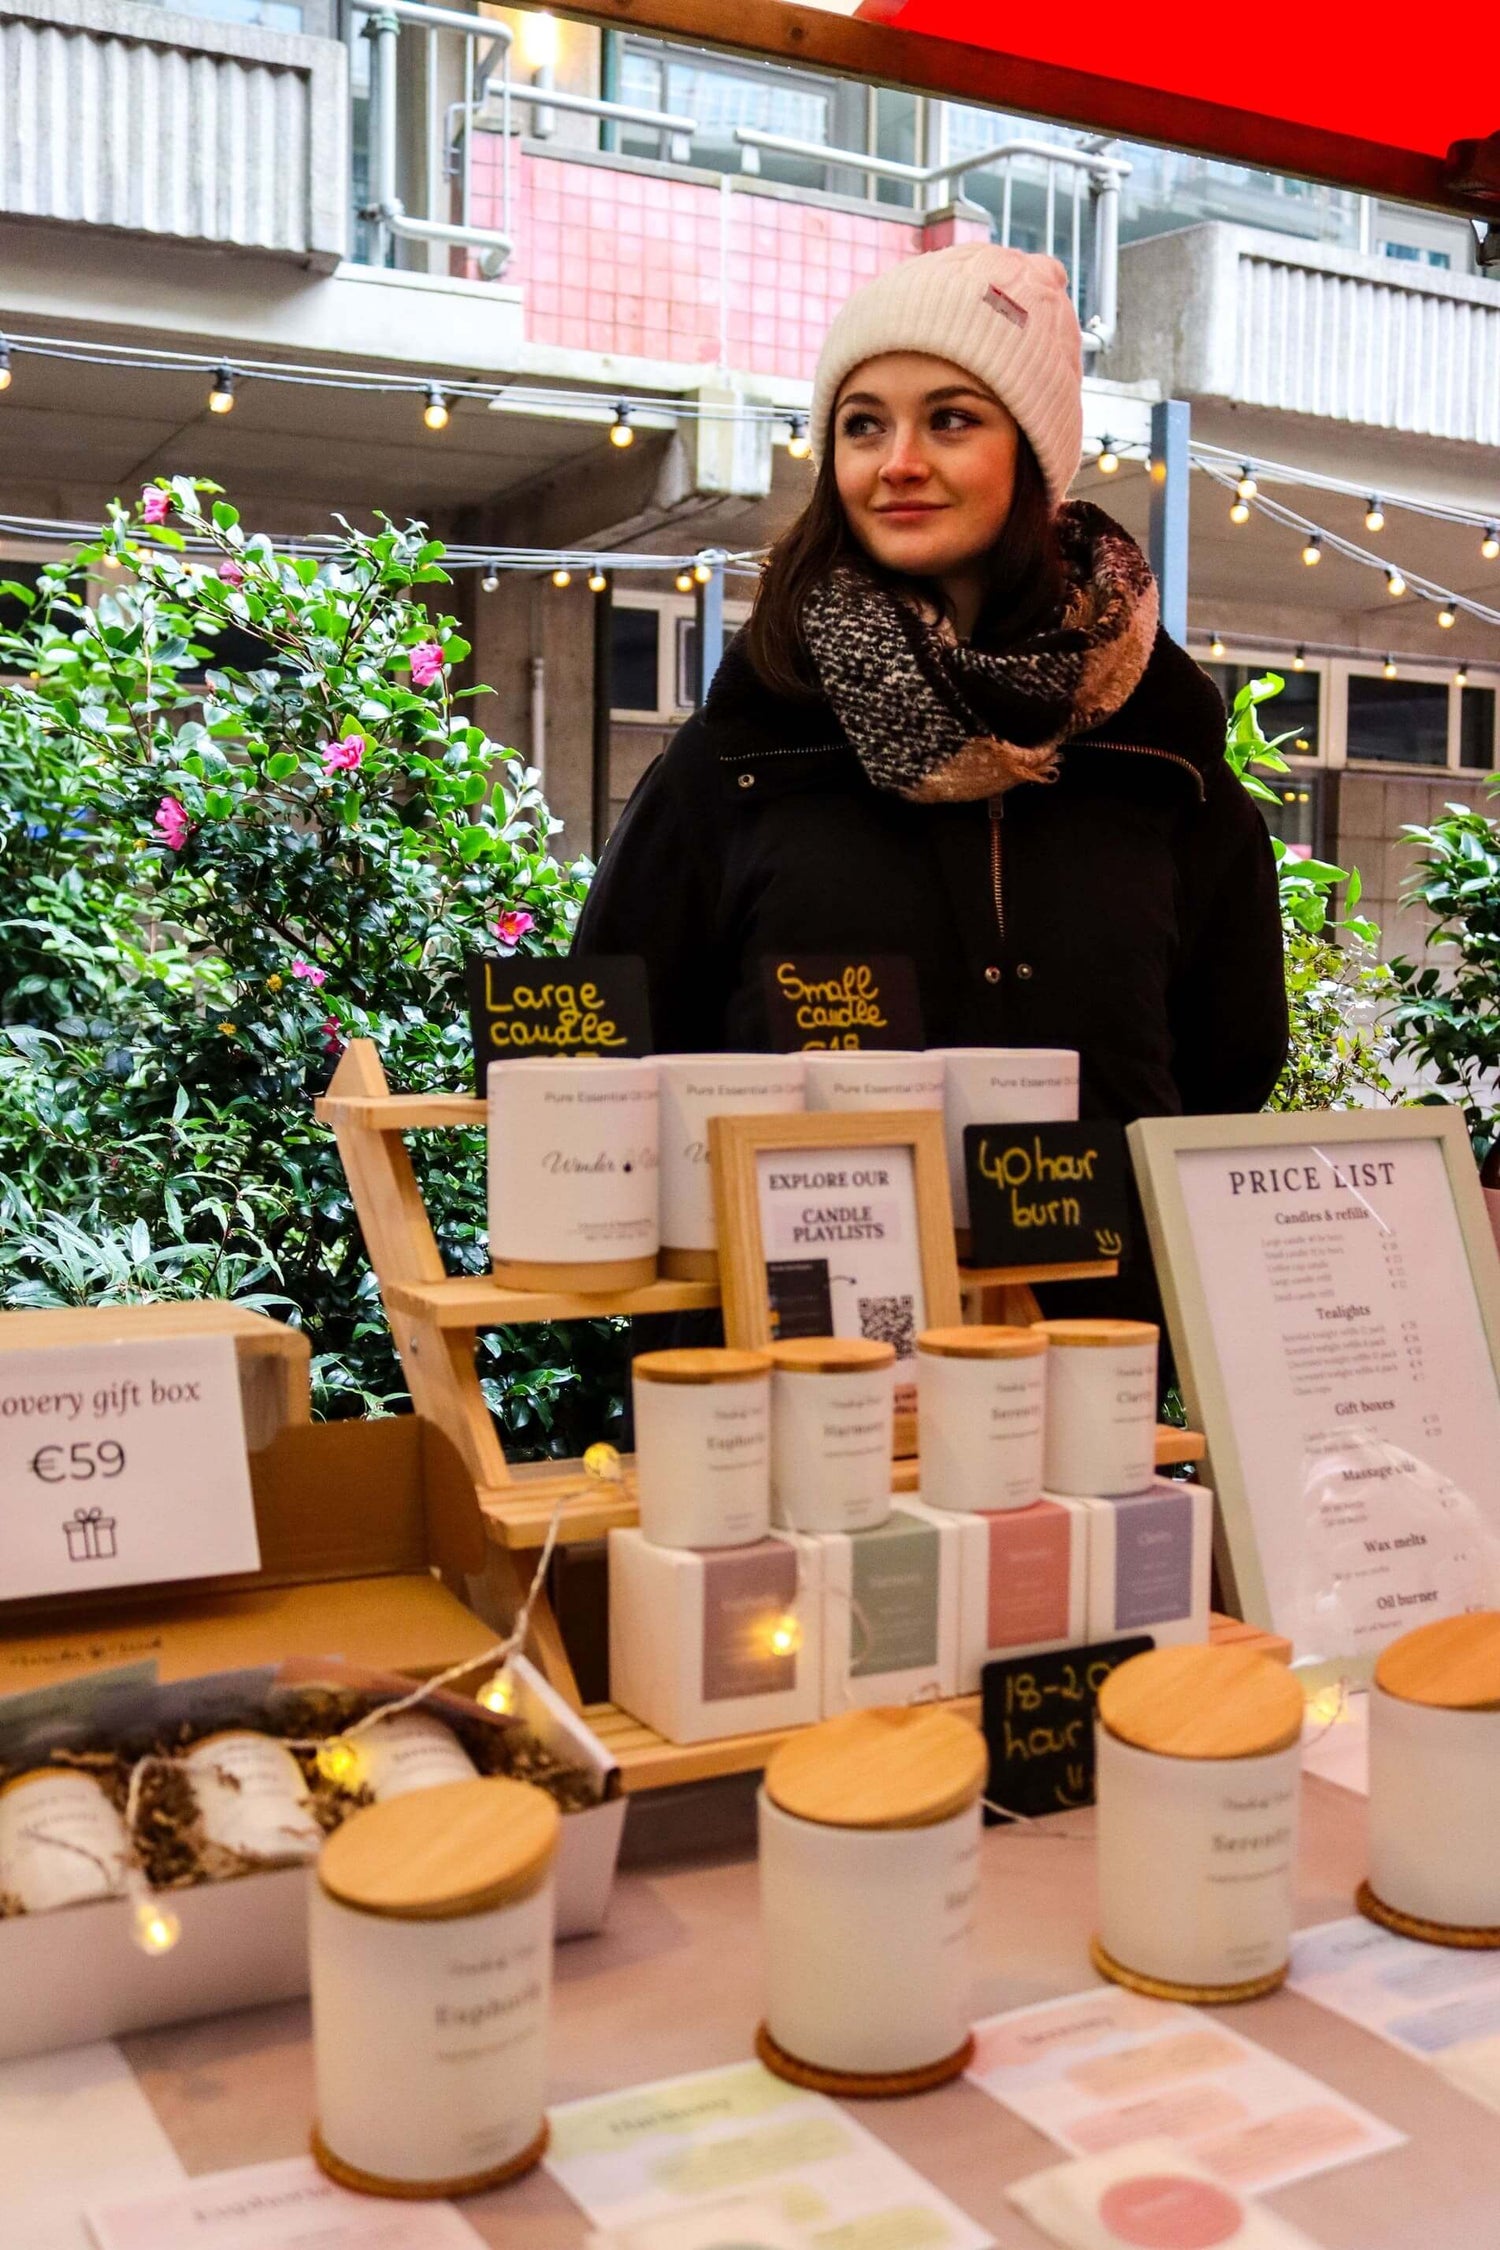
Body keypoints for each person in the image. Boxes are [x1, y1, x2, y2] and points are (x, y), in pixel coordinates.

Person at [576, 243, 1287, 1321]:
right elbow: (619, 1044)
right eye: (863, 425)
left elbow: (1229, 1063)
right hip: (795, 1360)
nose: (898, 462)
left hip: (1087, 1350)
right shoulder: (747, 747)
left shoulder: (1162, 758)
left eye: (951, 419)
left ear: (1034, 454)